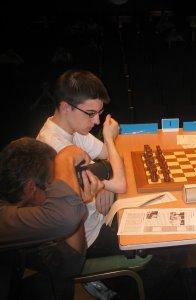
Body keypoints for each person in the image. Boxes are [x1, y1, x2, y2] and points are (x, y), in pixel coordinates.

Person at [37, 70, 127, 257]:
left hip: (101, 217)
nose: (97, 121)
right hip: (88, 237)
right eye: (91, 113)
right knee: (164, 256)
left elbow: (115, 158)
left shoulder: (75, 130)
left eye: (100, 113)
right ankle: (97, 283)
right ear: (65, 107)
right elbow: (120, 182)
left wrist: (106, 185)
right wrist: (110, 138)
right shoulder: (53, 147)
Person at [0, 138, 104, 299]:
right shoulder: (5, 219)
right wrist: (65, 158)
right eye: (53, 184)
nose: (58, 192)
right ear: (30, 188)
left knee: (59, 284)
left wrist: (76, 199)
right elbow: (66, 217)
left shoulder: (25, 207)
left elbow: (70, 264)